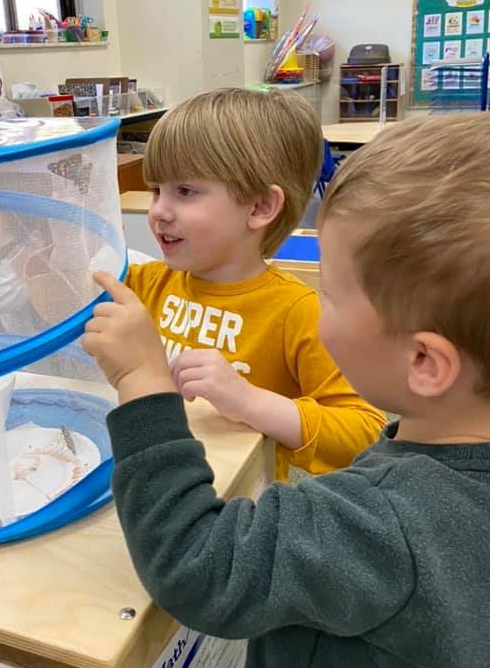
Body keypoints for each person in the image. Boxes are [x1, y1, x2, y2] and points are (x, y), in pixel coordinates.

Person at [83, 102, 490, 668]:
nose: (316, 305)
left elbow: (199, 567)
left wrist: (143, 384)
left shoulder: (381, 518)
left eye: (331, 295)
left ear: (426, 363)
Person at [122, 89, 384, 481]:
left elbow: (367, 434)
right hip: (160, 483)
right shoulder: (147, 282)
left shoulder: (296, 311)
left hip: (241, 508)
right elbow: (54, 310)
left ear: (260, 207)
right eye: (156, 190)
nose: (158, 210)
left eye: (185, 191)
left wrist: (249, 401)